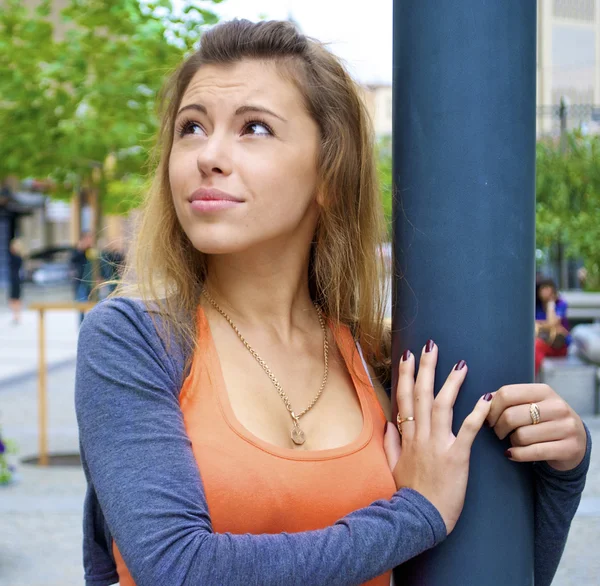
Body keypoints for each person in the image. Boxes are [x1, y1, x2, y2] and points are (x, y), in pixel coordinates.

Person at [75, 20, 591, 586]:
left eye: (254, 128)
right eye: (191, 127)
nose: (209, 155)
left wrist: (563, 470)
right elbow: (177, 568)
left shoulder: (381, 360)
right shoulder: (134, 341)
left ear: (328, 173)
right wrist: (414, 513)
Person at [535, 277, 571, 376]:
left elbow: (552, 323)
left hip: (558, 344)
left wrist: (551, 303)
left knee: (536, 346)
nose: (545, 291)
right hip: (543, 341)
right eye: (543, 288)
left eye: (548, 288)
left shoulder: (560, 303)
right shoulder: (536, 306)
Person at [71, 233, 94, 324]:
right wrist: (80, 249)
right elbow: (73, 260)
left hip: (91, 281)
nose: (89, 242)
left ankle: (90, 323)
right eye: (87, 239)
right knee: (82, 302)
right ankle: (82, 323)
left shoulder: (91, 251)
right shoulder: (77, 251)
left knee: (92, 303)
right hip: (80, 281)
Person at [8, 238, 23, 325]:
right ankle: (16, 315)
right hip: (15, 279)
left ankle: (16, 316)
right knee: (15, 299)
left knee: (14, 299)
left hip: (15, 280)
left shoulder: (16, 257)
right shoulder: (18, 257)